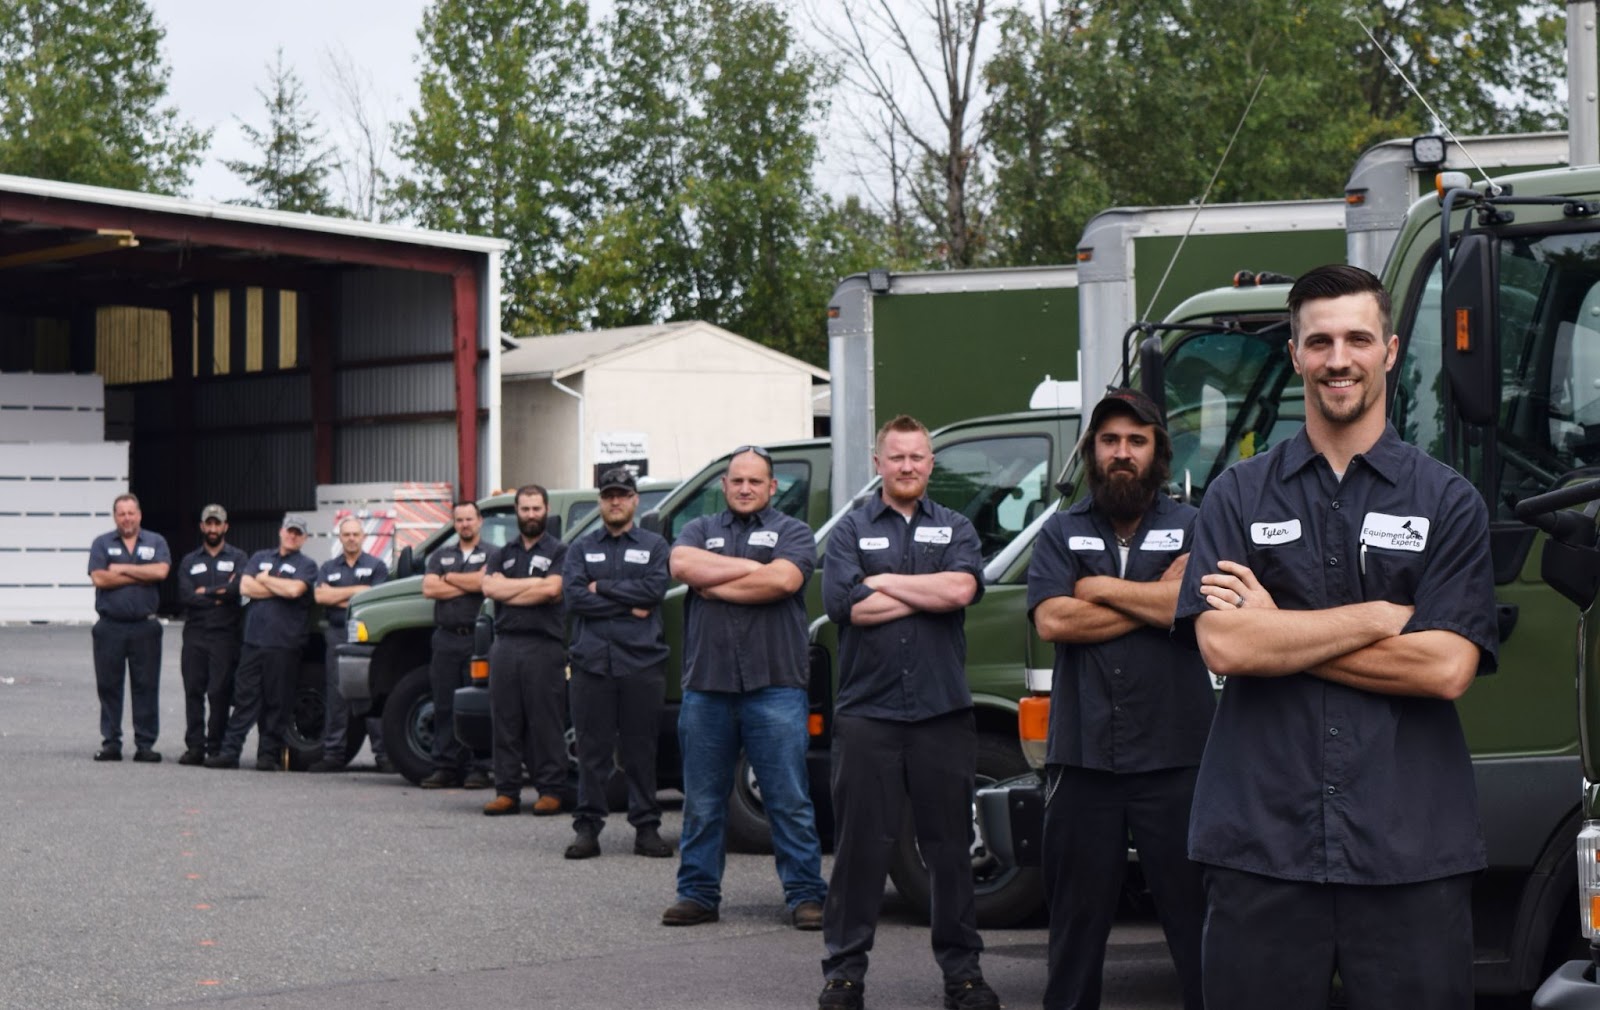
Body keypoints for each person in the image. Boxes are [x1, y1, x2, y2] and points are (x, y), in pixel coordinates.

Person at [1175, 264, 1498, 1010]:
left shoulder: (1447, 501)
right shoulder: (1237, 495)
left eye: (1357, 338)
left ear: (1388, 350)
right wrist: (1383, 618)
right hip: (1261, 847)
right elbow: (1226, 648)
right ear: (1295, 355)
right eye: (1319, 341)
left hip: (1410, 850)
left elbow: (1446, 667)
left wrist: (1279, 631)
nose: (1338, 358)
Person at [1026, 390, 1211, 1010]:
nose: (1122, 454)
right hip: (1083, 763)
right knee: (1076, 930)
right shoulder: (1060, 530)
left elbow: (1193, 608)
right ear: (1092, 452)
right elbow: (1054, 622)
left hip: (1178, 757)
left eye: (1136, 441)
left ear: (1158, 452)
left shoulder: (1195, 526)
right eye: (1109, 441)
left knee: (1196, 924)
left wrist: (1099, 589)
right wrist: (1154, 601)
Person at [817, 415, 997, 1010]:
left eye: (918, 457)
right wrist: (921, 590)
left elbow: (961, 592)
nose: (907, 467)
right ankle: (844, 974)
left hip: (942, 714)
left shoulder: (958, 528)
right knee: (860, 849)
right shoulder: (847, 533)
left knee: (950, 850)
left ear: (930, 464)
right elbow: (847, 607)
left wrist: (884, 582)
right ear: (878, 464)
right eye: (896, 458)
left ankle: (963, 976)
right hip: (868, 714)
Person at [662, 445, 827, 929]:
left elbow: (783, 581)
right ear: (724, 485)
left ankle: (805, 896)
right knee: (702, 799)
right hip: (707, 685)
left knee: (788, 798)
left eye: (756, 481)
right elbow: (682, 566)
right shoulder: (698, 530)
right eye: (737, 481)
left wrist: (718, 581)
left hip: (775, 685)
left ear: (772, 487)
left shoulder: (795, 531)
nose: (745, 488)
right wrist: (758, 571)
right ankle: (696, 894)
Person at [561, 467, 673, 859]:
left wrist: (603, 588)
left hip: (641, 663)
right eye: (609, 495)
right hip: (592, 663)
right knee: (591, 751)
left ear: (635, 500)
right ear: (600, 500)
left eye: (622, 495)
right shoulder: (580, 548)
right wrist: (629, 603)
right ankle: (587, 829)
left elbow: (654, 590)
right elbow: (575, 598)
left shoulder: (655, 546)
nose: (615, 501)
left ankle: (646, 829)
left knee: (641, 750)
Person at [479, 485, 568, 815]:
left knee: (546, 720)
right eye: (525, 509)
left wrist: (508, 590)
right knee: (505, 719)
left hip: (543, 646)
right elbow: (488, 586)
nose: (531, 514)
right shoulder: (502, 552)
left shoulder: (560, 551)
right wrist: (531, 586)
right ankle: (507, 791)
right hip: (505, 646)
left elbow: (553, 590)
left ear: (546, 510)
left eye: (536, 508)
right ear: (516, 512)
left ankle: (551, 790)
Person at [206, 514, 319, 771]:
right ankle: (230, 752)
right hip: (254, 642)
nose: (292, 536)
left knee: (277, 703)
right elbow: (245, 587)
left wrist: (266, 580)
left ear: (304, 538)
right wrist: (277, 587)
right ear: (280, 532)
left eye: (297, 533)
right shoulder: (260, 557)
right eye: (289, 531)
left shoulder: (308, 565)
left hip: (285, 644)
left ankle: (267, 756)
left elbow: (295, 591)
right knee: (245, 699)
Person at [87, 493, 171, 762]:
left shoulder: (156, 541)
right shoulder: (101, 543)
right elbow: (99, 577)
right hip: (110, 626)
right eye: (121, 513)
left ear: (139, 515)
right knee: (109, 686)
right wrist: (140, 573)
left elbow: (160, 572)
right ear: (115, 517)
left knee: (146, 686)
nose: (127, 518)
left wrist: (122, 569)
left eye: (131, 513)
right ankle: (111, 742)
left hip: (145, 628)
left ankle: (145, 745)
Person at [420, 500, 493, 790]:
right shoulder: (440, 554)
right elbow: (429, 588)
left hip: (479, 641)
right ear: (454, 524)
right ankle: (445, 767)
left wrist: (449, 579)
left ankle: (480, 768)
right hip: (446, 638)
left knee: (478, 705)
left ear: (480, 521)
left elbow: (485, 584)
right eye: (459, 520)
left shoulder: (493, 553)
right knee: (444, 704)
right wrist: (469, 581)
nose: (464, 524)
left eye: (469, 519)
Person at [308, 516, 390, 773]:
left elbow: (375, 598)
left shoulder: (377, 566)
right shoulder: (328, 567)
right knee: (336, 694)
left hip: (366, 634)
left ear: (363, 537)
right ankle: (333, 754)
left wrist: (339, 595)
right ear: (340, 538)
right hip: (336, 634)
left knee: (370, 693)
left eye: (356, 534)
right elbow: (321, 596)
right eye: (347, 535)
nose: (351, 538)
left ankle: (384, 756)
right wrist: (357, 592)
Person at [175, 504, 248, 766]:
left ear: (225, 527)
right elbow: (185, 596)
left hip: (224, 635)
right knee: (193, 690)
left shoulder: (239, 558)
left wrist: (204, 592)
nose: (213, 528)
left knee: (219, 692)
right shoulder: (189, 561)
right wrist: (217, 596)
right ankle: (195, 747)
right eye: (209, 523)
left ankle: (216, 746)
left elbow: (236, 590)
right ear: (202, 527)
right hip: (195, 634)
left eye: (218, 524)